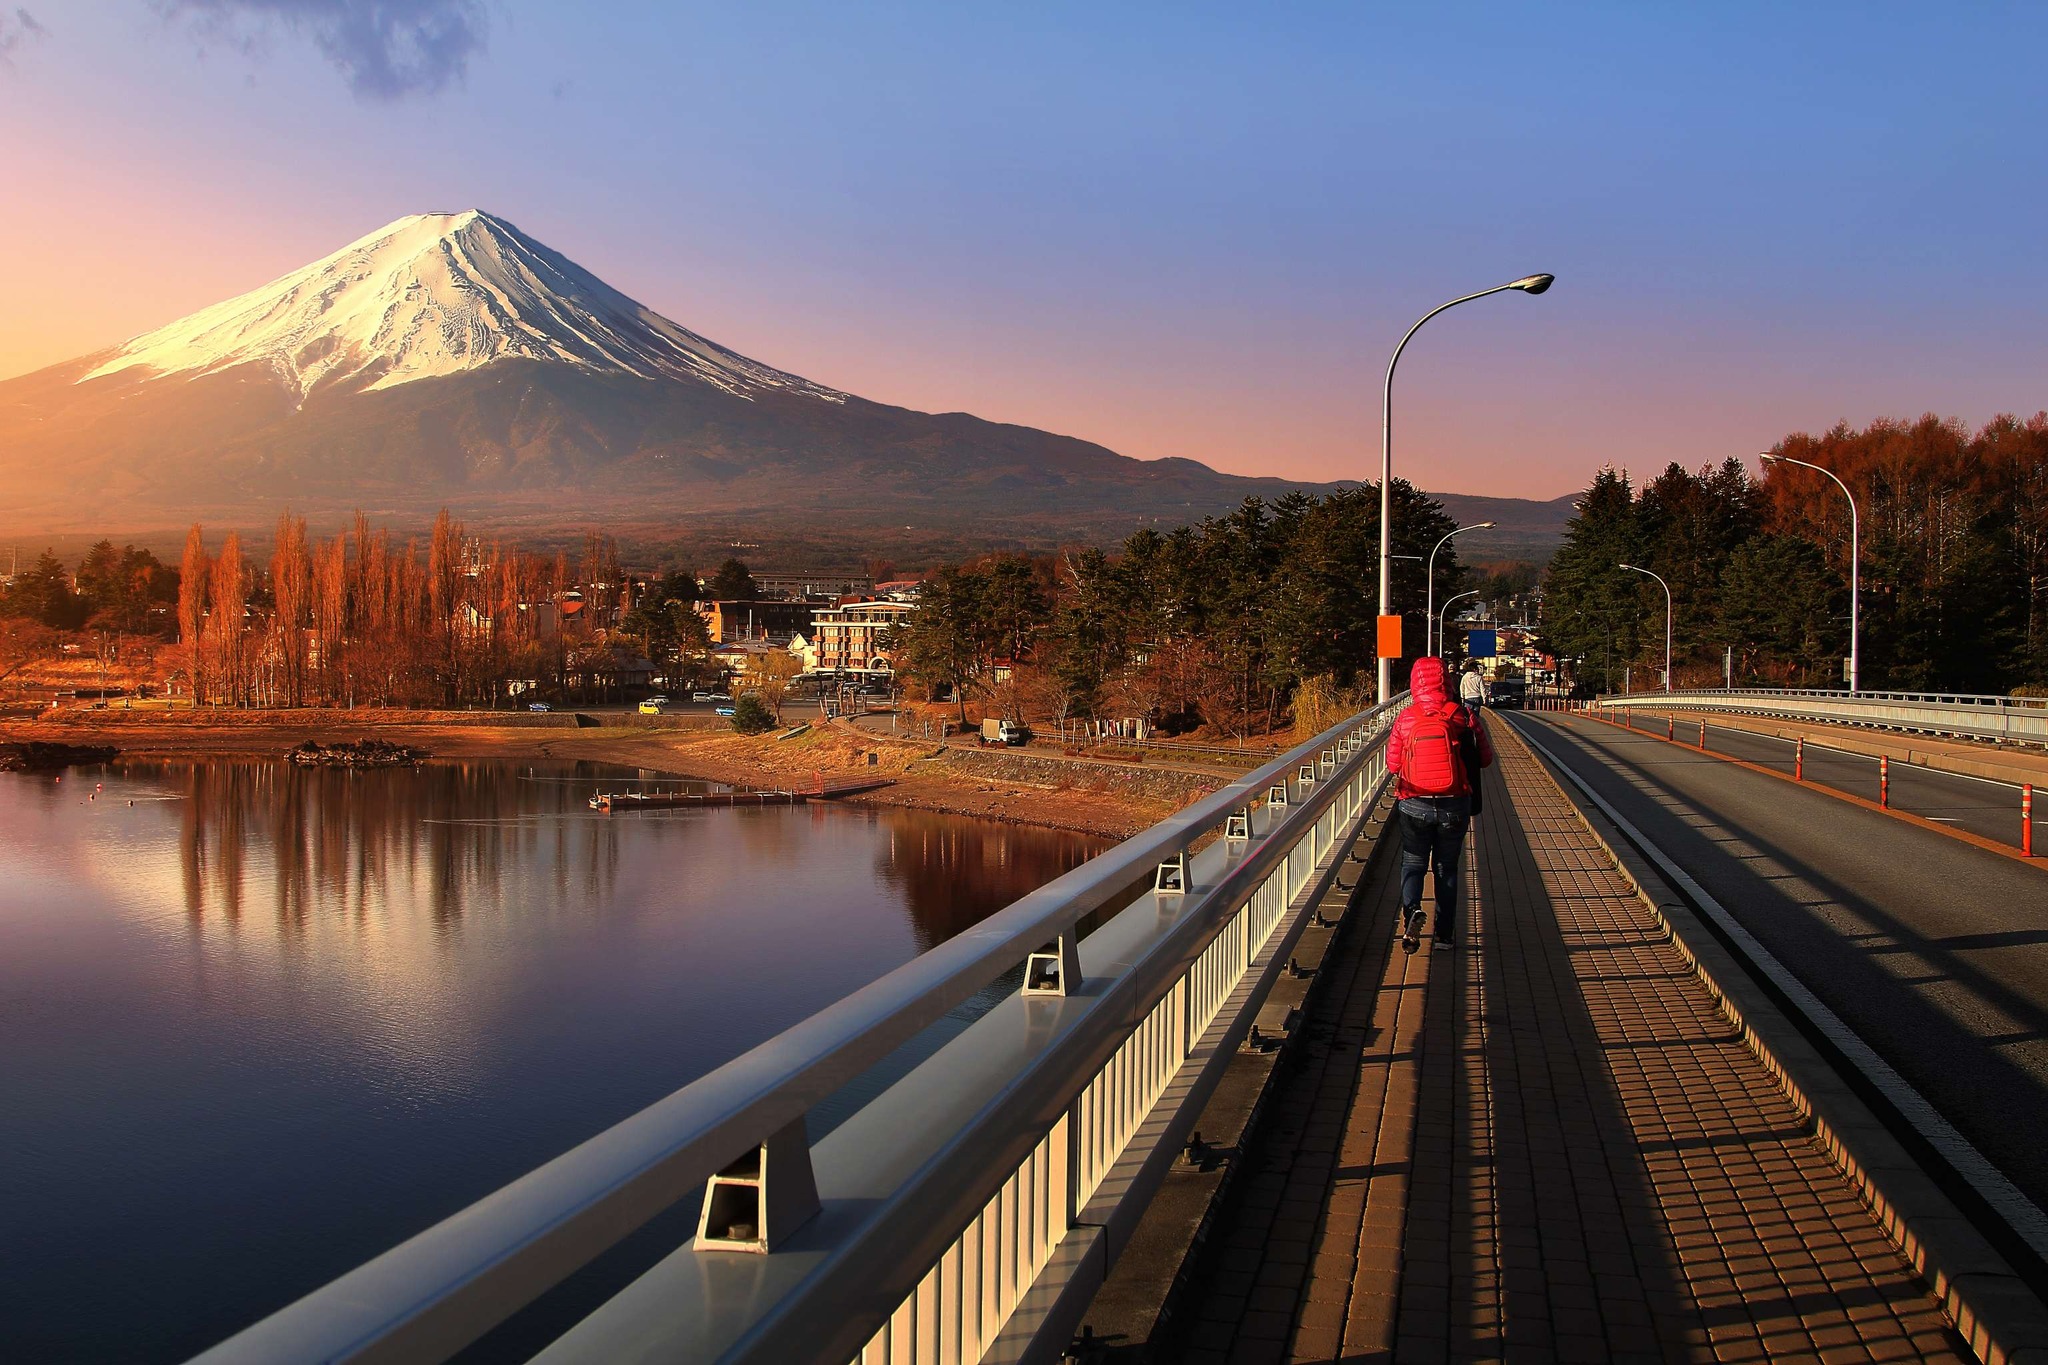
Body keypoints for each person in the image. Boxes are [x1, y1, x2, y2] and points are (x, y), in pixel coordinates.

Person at [1386, 656, 1494, 953]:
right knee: (1447, 868)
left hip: (1414, 801)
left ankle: (1411, 914)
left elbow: (1393, 765)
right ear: (1447, 681)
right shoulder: (1462, 715)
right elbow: (1485, 759)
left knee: (1413, 863)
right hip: (1455, 802)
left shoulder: (1407, 717)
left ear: (1414, 682)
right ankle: (1445, 936)